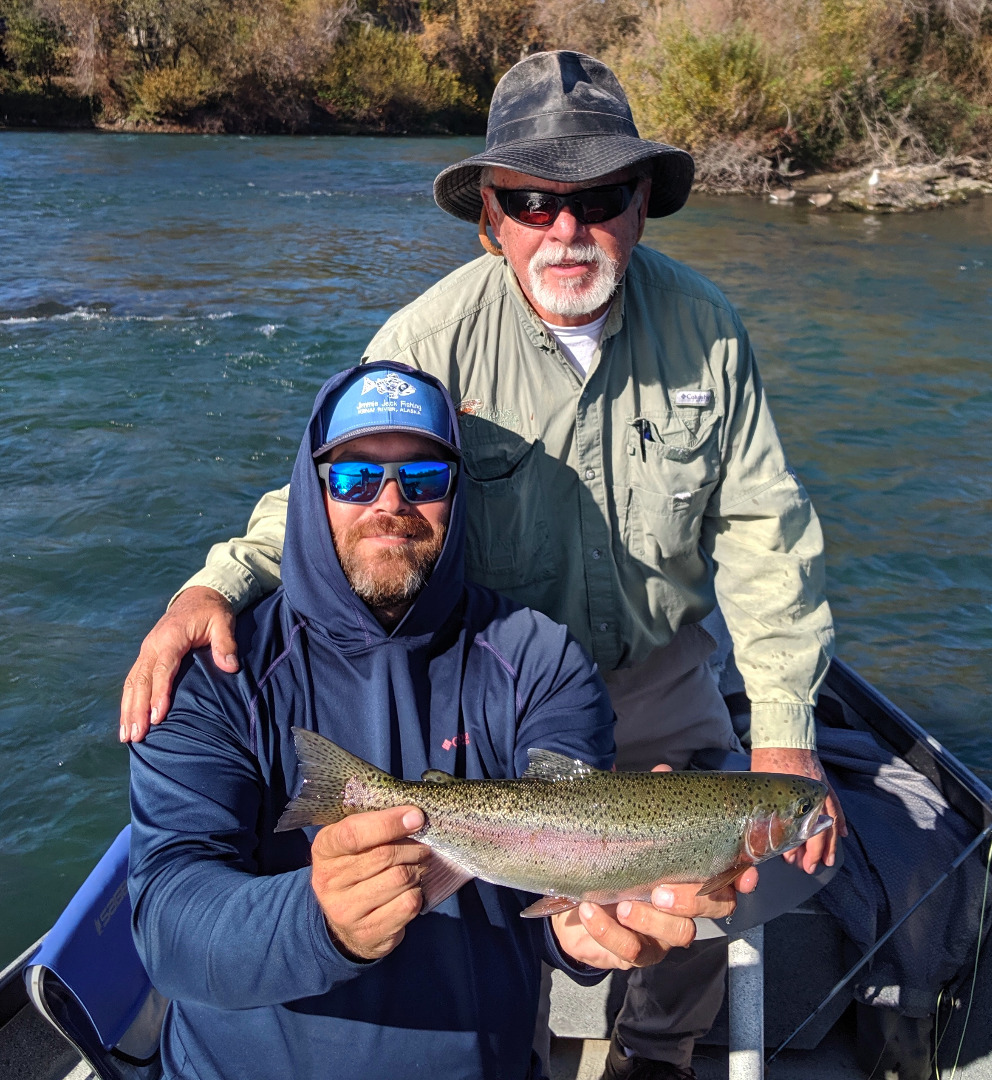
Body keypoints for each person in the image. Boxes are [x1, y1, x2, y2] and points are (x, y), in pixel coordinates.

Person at [122, 52, 845, 1079]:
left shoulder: (708, 332)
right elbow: (352, 490)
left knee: (707, 888)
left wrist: (782, 734)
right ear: (489, 218)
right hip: (504, 684)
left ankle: (652, 1050)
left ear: (640, 206)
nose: (565, 228)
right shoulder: (427, 339)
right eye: (531, 199)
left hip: (651, 673)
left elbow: (765, 534)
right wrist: (214, 585)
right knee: (531, 891)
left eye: (595, 197)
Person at [127, 361, 745, 1080]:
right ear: (310, 489)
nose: (391, 504)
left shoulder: (542, 660)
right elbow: (167, 921)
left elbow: (549, 896)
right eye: (356, 479)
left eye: (423, 479)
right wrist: (316, 920)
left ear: (458, 491)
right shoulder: (214, 669)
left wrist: (585, 929)